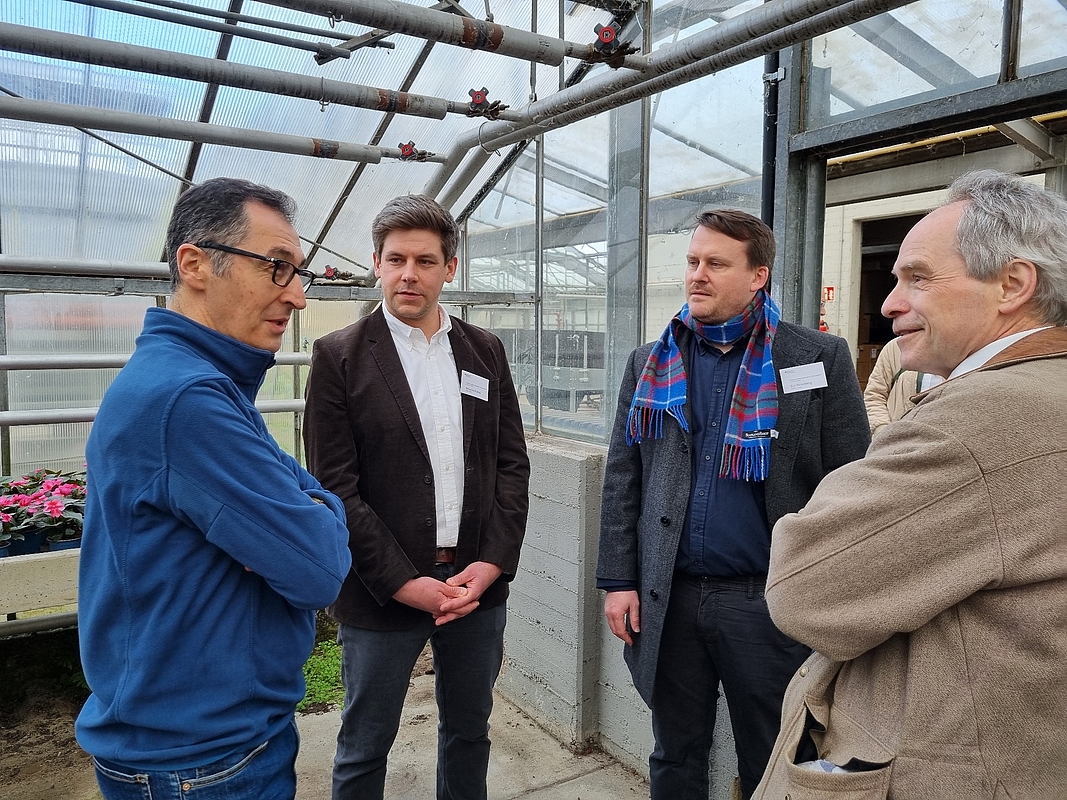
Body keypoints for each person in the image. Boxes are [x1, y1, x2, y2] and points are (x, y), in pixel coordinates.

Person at [755, 170, 1067, 799]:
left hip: (942, 764)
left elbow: (801, 588)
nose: (889, 303)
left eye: (917, 278)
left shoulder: (978, 418)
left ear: (1013, 284)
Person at [75, 177, 353, 799]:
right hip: (202, 764)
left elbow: (295, 508)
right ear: (195, 264)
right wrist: (323, 506)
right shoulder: (188, 400)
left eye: (299, 272)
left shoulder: (198, 382)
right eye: (277, 268)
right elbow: (319, 566)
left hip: (193, 744)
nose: (299, 296)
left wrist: (302, 504)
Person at [596, 209, 870, 800]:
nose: (697, 275)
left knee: (774, 753)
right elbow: (624, 477)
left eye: (716, 264)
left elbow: (851, 481)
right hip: (670, 597)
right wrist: (620, 579)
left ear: (757, 276)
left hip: (766, 602)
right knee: (675, 751)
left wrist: (832, 593)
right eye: (693, 261)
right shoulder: (651, 362)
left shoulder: (815, 357)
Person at [303, 194, 530, 800]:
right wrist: (404, 582)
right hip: (384, 591)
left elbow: (511, 464)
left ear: (449, 268)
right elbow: (334, 488)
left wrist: (492, 562)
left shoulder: (484, 350)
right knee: (364, 743)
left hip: (474, 585)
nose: (410, 274)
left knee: (469, 733)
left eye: (426, 261)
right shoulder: (339, 357)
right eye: (396, 259)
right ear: (376, 263)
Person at [862, 336, 940, 433]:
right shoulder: (895, 348)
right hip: (896, 441)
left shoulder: (959, 353)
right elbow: (874, 395)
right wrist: (882, 430)